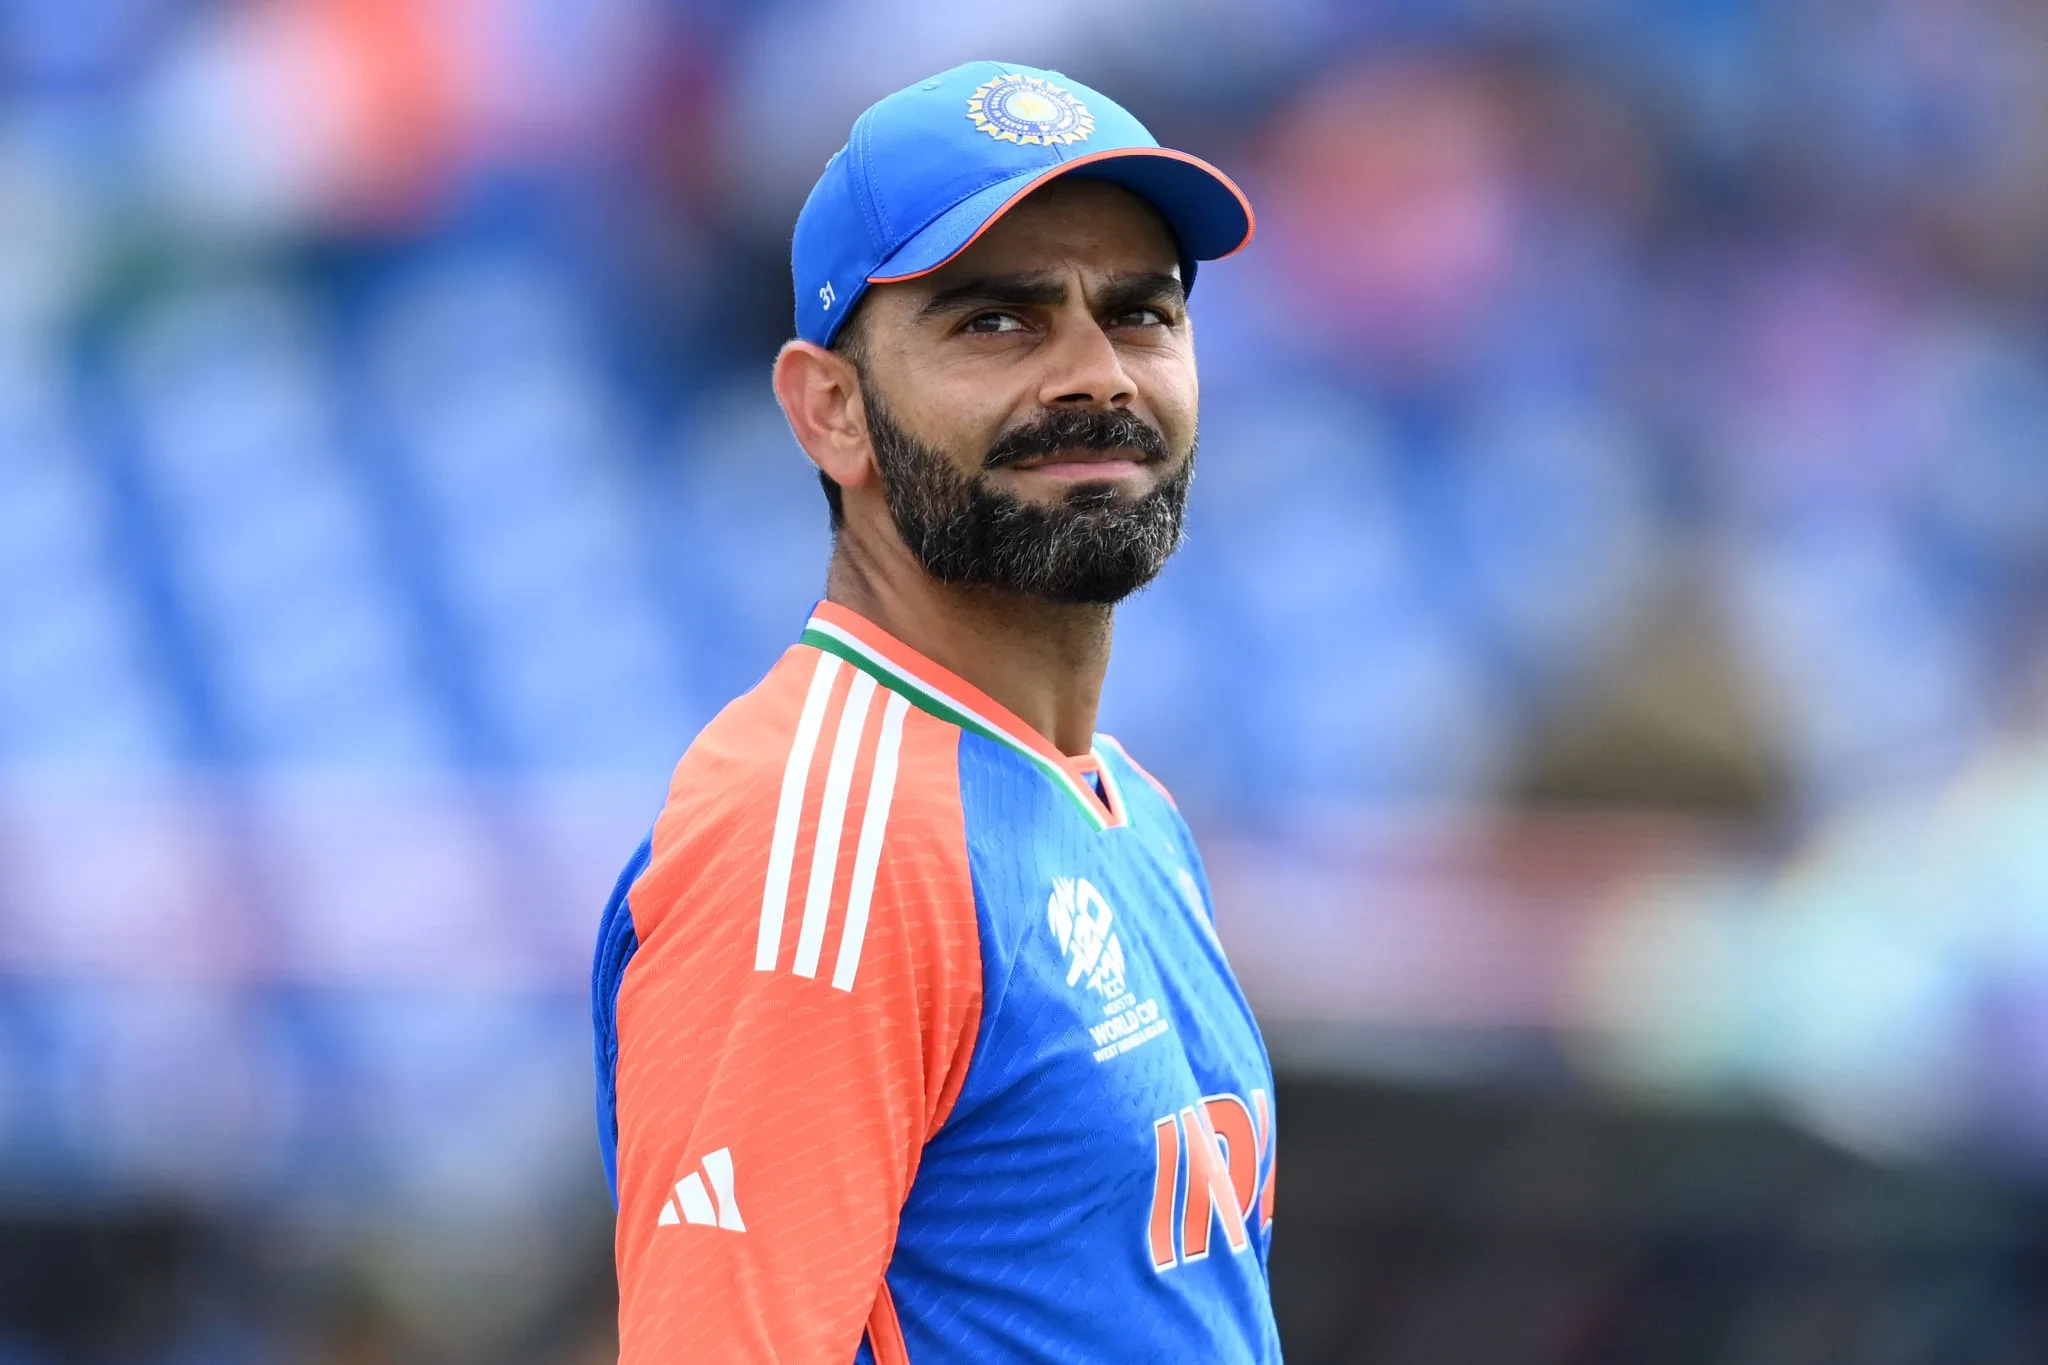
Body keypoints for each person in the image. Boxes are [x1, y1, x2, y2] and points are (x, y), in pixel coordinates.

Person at [593, 60, 1279, 1362]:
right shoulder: (827, 834)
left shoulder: (1128, 806)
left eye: (1140, 316)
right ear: (829, 410)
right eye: (998, 323)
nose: (1096, 375)